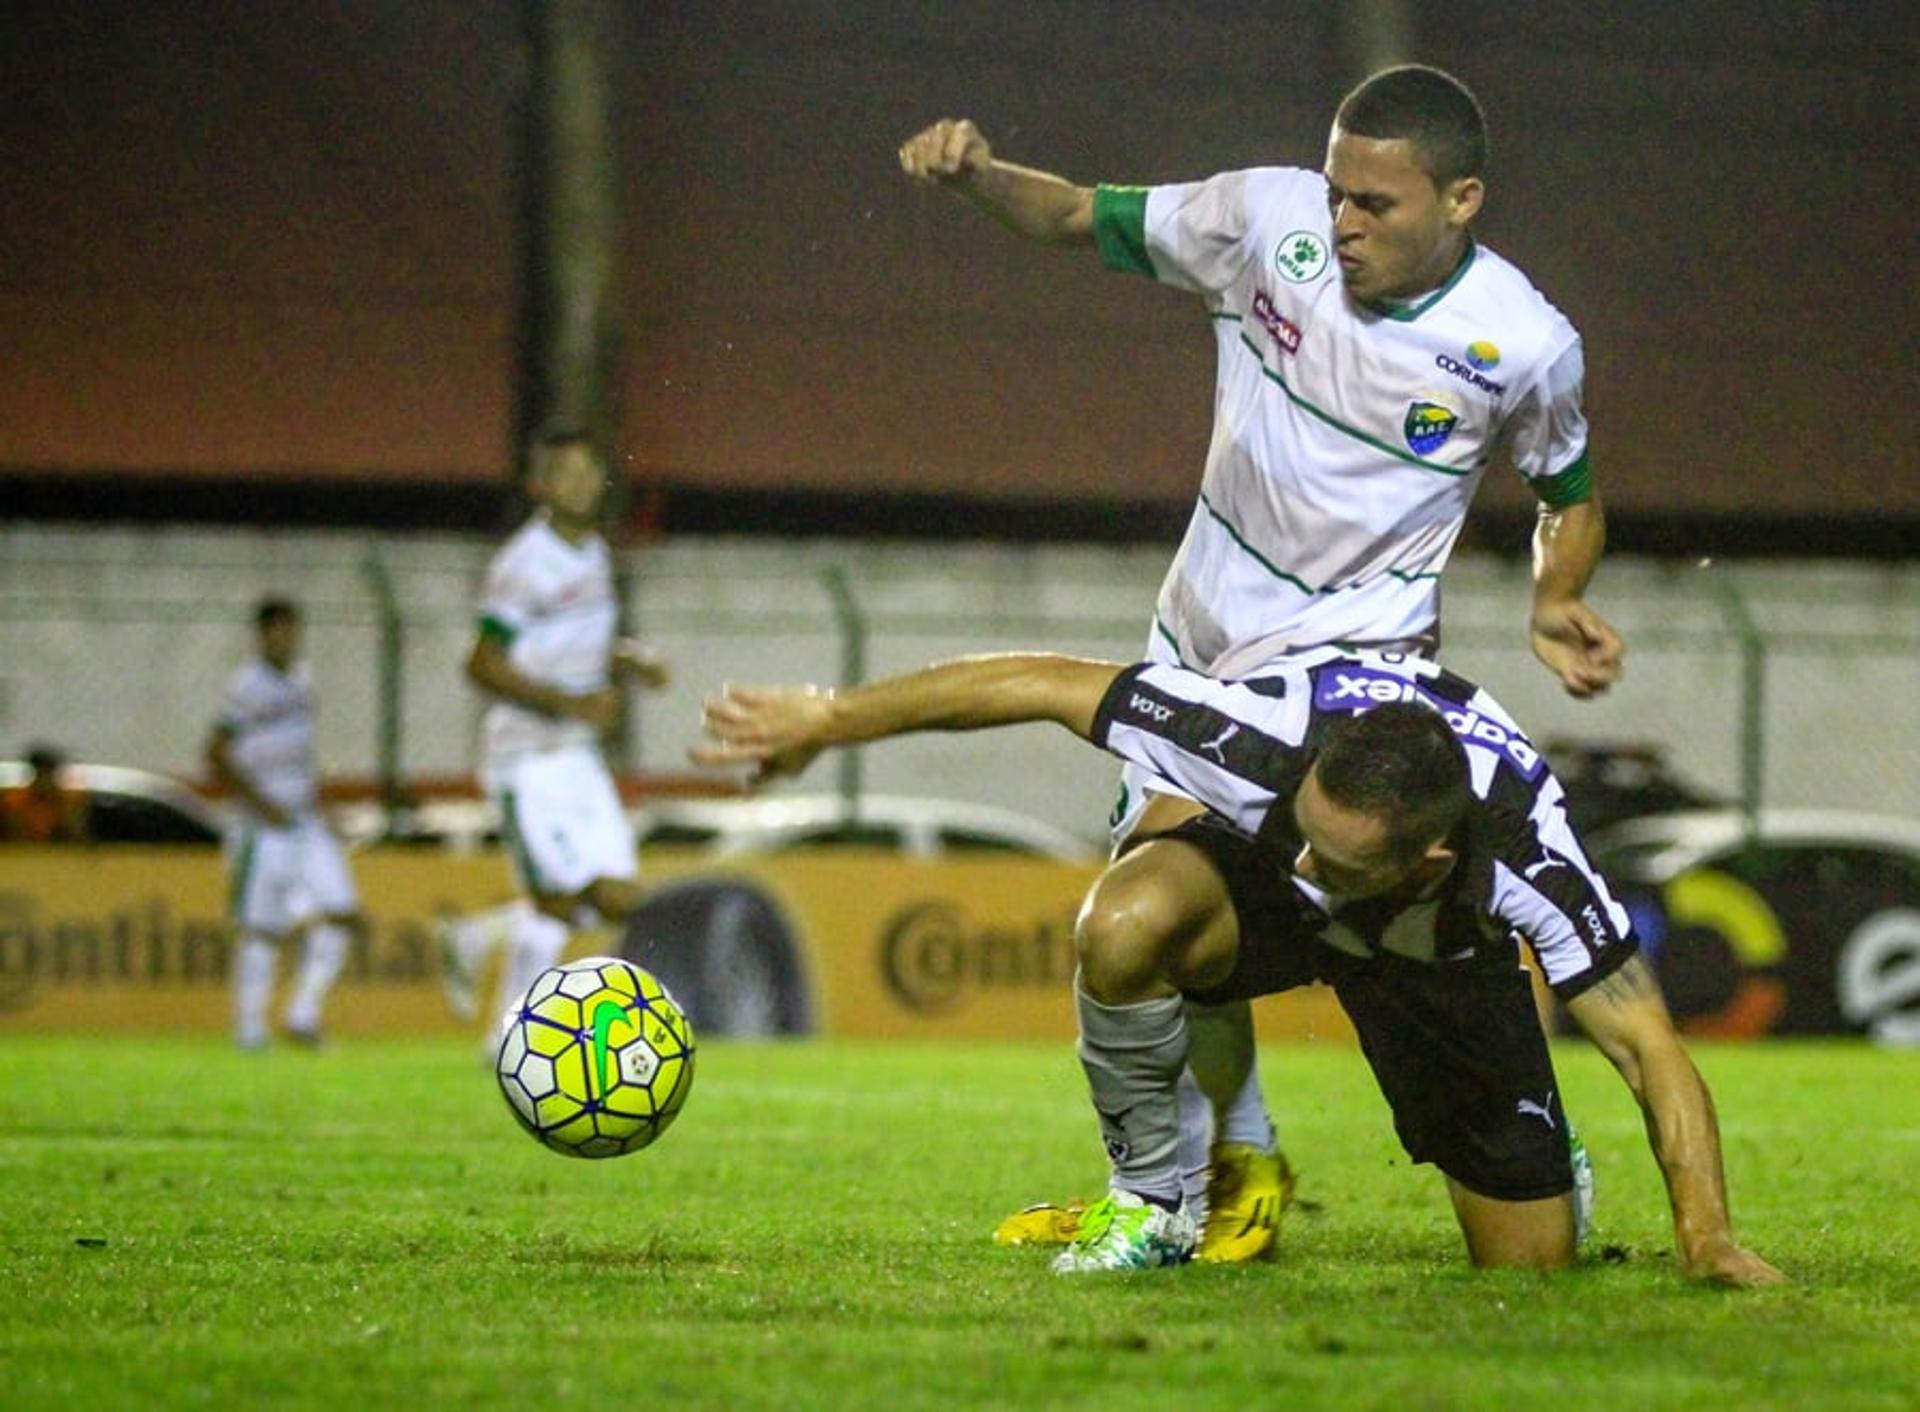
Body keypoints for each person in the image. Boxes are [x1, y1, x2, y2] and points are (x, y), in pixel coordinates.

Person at [897, 64, 1625, 1259]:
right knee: (1159, 907)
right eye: (1336, 192)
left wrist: (1558, 594)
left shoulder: (1526, 343)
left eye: (1375, 204)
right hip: (1202, 644)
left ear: (1462, 200)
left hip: (1358, 677)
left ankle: (1511, 1133)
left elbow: (1570, 492)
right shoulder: (1263, 220)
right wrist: (979, 178)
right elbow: (1076, 214)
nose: (1340, 222)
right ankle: (1222, 1173)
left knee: (1408, 930)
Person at [693, 649, 1783, 1286]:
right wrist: (828, 718)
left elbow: (1652, 1051)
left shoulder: (1528, 856)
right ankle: (1155, 1200)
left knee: (1529, 1270)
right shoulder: (1262, 735)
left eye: (1339, 855)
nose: (1308, 863)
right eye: (1305, 830)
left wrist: (1708, 1235)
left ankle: (1540, 1148)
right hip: (1266, 876)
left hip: (1434, 958)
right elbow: (1033, 678)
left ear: (1431, 856)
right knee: (1124, 919)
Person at [449, 426, 671, 1044]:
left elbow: (574, 645)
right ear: (539, 485)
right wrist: (570, 703)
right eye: (565, 473)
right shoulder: (522, 563)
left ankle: (475, 938)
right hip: (525, 759)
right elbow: (482, 663)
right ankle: (508, 1043)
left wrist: (628, 661)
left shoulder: (595, 553)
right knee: (557, 904)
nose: (580, 484)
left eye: (589, 472)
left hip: (577, 756)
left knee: (619, 900)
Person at [206, 598, 365, 1049]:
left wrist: (321, 806)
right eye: (277, 631)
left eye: (292, 631)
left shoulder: (301, 680)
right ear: (261, 636)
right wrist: (260, 802)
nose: (287, 639)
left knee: (341, 911)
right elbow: (216, 752)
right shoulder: (247, 687)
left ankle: (302, 1014)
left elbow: (302, 755)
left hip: (303, 820)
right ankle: (250, 1029)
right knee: (262, 928)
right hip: (262, 826)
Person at [0, 744, 90, 842]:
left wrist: (66, 811)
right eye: (40, 774)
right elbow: (12, 834)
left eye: (47, 773)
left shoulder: (68, 801)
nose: (44, 781)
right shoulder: (15, 800)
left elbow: (76, 837)